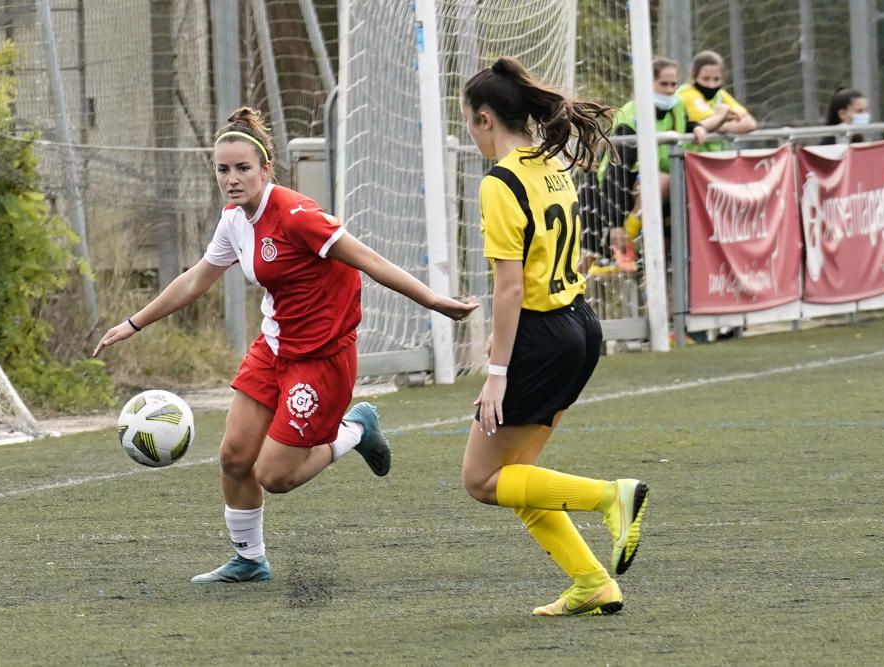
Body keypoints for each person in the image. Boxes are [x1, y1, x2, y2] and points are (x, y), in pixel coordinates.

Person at [93, 106, 478, 584]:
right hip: (272, 348)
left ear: (265, 169)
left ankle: (356, 427)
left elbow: (370, 260)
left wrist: (434, 300)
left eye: (242, 169)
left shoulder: (298, 216)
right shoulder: (233, 219)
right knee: (234, 457)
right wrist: (134, 322)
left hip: (321, 359)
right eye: (223, 169)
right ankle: (249, 559)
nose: (232, 179)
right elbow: (196, 280)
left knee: (275, 477)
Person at [459, 57, 649, 617]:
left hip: (541, 336)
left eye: (468, 120)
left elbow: (509, 289)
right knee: (520, 476)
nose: (469, 132)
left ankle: (610, 497)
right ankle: (592, 582)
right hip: (580, 325)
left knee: (482, 480)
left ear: (487, 118)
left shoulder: (501, 182)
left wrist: (496, 373)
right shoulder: (552, 162)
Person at [592, 56, 709, 272]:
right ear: (648, 84)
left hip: (664, 192)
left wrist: (696, 127)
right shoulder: (631, 115)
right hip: (623, 190)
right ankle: (622, 240)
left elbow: (684, 123)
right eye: (663, 84)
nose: (669, 90)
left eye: (673, 84)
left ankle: (669, 257)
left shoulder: (677, 106)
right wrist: (616, 223)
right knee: (662, 181)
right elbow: (616, 172)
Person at [677, 50, 756, 153]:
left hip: (714, 159)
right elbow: (701, 124)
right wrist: (722, 116)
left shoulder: (719, 94)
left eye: (716, 79)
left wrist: (720, 126)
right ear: (693, 78)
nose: (711, 85)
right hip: (690, 159)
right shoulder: (686, 93)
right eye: (706, 79)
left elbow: (749, 123)